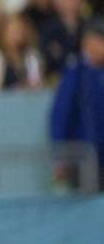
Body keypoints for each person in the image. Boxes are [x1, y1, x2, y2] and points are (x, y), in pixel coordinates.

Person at [50, 18, 104, 189]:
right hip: (82, 159)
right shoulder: (75, 73)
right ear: (88, 42)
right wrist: (60, 157)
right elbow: (60, 116)